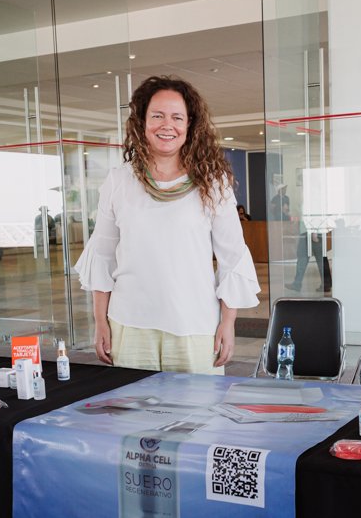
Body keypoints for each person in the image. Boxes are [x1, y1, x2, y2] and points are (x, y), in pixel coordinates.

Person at [73, 75, 260, 373]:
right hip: (129, 325)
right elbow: (102, 256)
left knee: (199, 405)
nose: (167, 125)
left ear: (190, 125)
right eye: (157, 115)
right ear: (142, 122)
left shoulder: (213, 183)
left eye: (177, 117)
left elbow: (232, 257)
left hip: (195, 326)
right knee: (131, 404)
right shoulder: (119, 181)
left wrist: (228, 322)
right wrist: (100, 322)